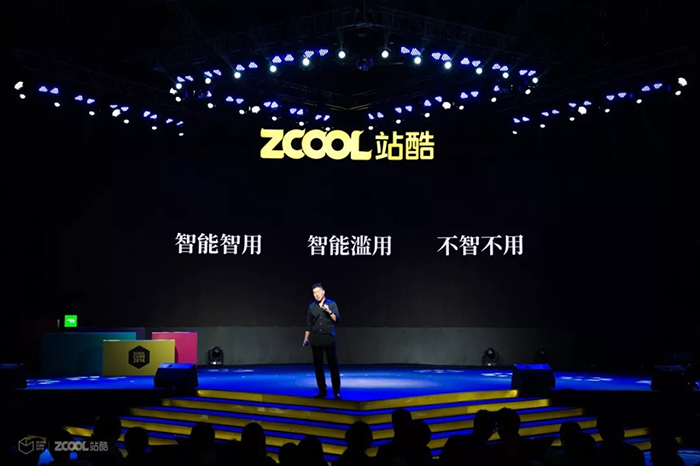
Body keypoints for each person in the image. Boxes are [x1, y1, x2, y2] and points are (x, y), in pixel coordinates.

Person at [303, 283, 341, 399]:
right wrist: (306, 338)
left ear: (323, 292)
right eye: (314, 293)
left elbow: (337, 319)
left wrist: (329, 311)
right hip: (316, 339)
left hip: (328, 339)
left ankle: (336, 390)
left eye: (318, 292)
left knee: (333, 366)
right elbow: (309, 324)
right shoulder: (312, 307)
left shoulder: (332, 304)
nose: (316, 295)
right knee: (318, 366)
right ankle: (322, 390)